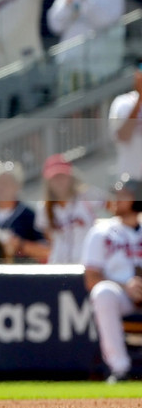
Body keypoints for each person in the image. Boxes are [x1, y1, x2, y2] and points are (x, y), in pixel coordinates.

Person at [84, 175, 142, 384]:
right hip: (122, 296)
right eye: (116, 194)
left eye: (123, 194)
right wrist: (125, 286)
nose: (116, 198)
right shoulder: (101, 231)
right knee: (103, 292)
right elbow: (92, 278)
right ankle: (119, 369)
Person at [36, 154, 99, 266]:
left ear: (70, 177)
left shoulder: (86, 195)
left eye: (62, 176)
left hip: (87, 263)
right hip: (58, 265)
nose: (59, 181)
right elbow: (49, 239)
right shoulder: (44, 207)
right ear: (48, 181)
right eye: (55, 177)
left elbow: (115, 206)